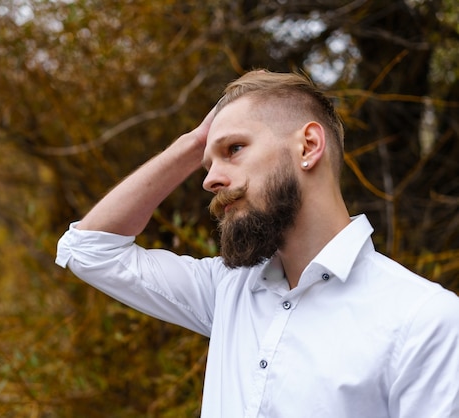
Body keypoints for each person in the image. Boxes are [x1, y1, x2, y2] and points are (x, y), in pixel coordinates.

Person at [55, 69, 459, 417]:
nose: (209, 180)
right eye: (208, 163)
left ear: (308, 146)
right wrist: (193, 144)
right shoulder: (227, 291)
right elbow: (89, 250)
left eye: (234, 149)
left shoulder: (424, 321)